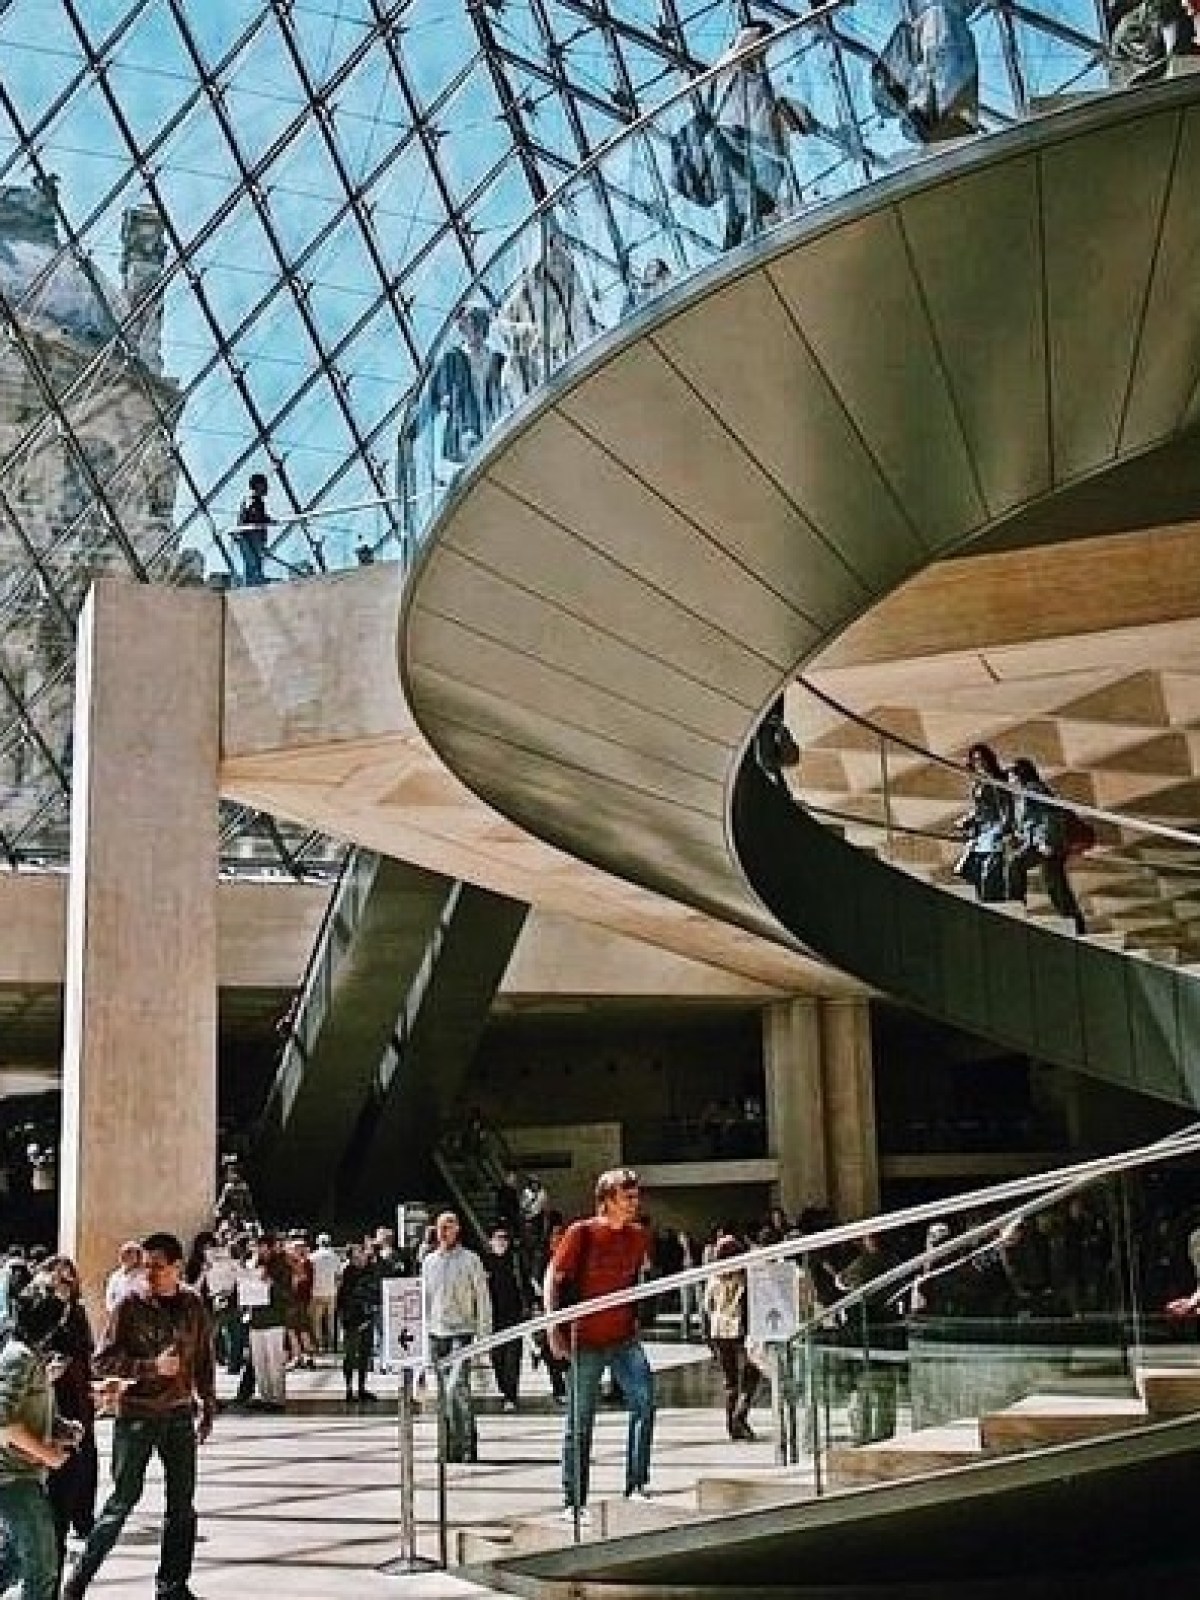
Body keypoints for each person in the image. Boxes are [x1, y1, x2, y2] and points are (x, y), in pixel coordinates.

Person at [61, 1231, 216, 1600]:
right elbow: (102, 1360)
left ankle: (172, 1585)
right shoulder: (129, 1305)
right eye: (145, 1266)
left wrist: (208, 1404)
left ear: (177, 1267)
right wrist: (149, 1367)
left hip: (179, 1415)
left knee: (182, 1505)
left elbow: (204, 1358)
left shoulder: (193, 1305)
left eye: (157, 1267)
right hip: (137, 1417)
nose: (149, 1274)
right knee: (122, 1500)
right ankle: (79, 1579)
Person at [545, 1167, 655, 1521]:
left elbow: (638, 1281)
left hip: (623, 1337)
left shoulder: (639, 1237)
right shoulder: (582, 1233)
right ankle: (573, 1501)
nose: (634, 1203)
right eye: (628, 1197)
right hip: (586, 1339)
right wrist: (553, 1330)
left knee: (645, 1401)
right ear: (607, 1201)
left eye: (636, 1196)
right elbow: (555, 1278)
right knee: (580, 1421)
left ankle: (636, 1483)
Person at [0, 1280, 80, 1600]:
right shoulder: (18, 1356)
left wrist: (60, 1428)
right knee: (42, 1571)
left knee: (13, 1564)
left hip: (23, 1476)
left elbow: (26, 1410)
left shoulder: (28, 1355)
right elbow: (3, 1422)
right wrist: (48, 1454)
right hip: (13, 1477)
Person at [710, 20, 816, 250]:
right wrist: (755, 37)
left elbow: (771, 102)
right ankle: (738, 250)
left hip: (761, 150)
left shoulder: (756, 75)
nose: (767, 51)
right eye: (765, 44)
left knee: (751, 208)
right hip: (745, 149)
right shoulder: (731, 67)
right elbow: (740, 52)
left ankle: (740, 248)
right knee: (748, 208)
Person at [37, 1255, 98, 1564]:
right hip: (49, 1397)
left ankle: (82, 1517)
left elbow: (86, 1351)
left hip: (77, 1394)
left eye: (68, 1280)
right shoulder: (37, 1318)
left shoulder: (77, 1313)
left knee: (83, 1456)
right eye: (57, 1280)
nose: (63, 1286)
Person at [498, 224, 601, 397]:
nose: (561, 254)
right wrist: (525, 330)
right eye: (556, 248)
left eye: (564, 247)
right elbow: (502, 322)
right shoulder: (531, 283)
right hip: (544, 359)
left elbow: (581, 317)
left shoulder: (572, 279)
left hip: (570, 353)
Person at [421, 1212, 491, 1464]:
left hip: (461, 1331)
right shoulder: (429, 1261)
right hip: (436, 1331)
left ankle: (466, 1444)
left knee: (456, 1389)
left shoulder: (471, 1259)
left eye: (448, 1227)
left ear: (457, 1230)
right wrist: (423, 1332)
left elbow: (482, 1297)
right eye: (440, 1227)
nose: (443, 1231)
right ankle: (447, 1446)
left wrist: (484, 1334)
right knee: (441, 1393)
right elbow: (425, 1298)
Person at [1005, 756, 1086, 934]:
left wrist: (1045, 842)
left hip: (1047, 842)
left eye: (1011, 775)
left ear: (1020, 775)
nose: (1009, 779)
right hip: (1040, 842)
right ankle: (1074, 921)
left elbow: (1049, 816)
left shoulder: (1033, 789)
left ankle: (1015, 903)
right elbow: (1029, 821)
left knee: (1026, 868)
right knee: (1054, 883)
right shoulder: (1022, 794)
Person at [704, 1234, 764, 1441]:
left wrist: (708, 1337)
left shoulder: (713, 1277)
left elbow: (707, 1307)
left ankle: (732, 1424)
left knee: (730, 1380)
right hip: (740, 1330)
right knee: (751, 1372)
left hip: (719, 1331)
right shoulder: (746, 1276)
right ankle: (740, 1414)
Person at [429, 305, 506, 464]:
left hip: (494, 423)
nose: (473, 332)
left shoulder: (497, 359)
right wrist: (445, 400)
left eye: (475, 326)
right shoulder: (453, 358)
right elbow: (435, 393)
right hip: (465, 429)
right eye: (468, 326)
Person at [954, 742, 1013, 903]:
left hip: (995, 829)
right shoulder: (978, 782)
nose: (979, 763)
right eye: (975, 759)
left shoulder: (997, 781)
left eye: (981, 759)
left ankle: (993, 901)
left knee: (990, 870)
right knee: (973, 869)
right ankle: (984, 899)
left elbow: (1006, 805)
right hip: (981, 830)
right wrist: (968, 820)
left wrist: (1005, 828)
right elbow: (980, 808)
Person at [482, 1227, 526, 1411]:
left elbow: (524, 1283)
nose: (502, 1242)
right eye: (498, 1238)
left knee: (513, 1357)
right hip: (494, 1316)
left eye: (505, 1238)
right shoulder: (485, 1263)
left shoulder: (516, 1261)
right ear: (491, 1242)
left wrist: (530, 1306)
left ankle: (511, 1394)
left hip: (514, 1315)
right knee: (497, 1357)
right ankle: (503, 1387)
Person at [335, 1243, 379, 1405]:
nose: (362, 1256)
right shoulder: (347, 1273)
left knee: (365, 1355)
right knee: (350, 1355)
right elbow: (342, 1298)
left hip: (367, 1317)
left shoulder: (370, 1270)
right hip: (352, 1319)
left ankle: (361, 1387)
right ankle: (349, 1388)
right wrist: (345, 1319)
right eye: (358, 1254)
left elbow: (375, 1291)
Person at [233, 473, 272, 587]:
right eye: (265, 484)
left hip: (251, 537)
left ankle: (254, 586)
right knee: (253, 565)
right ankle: (253, 589)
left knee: (254, 565)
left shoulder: (257, 501)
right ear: (258, 485)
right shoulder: (252, 500)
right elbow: (253, 515)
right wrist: (265, 520)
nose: (267, 487)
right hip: (248, 537)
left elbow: (256, 516)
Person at [309, 1233, 341, 1354]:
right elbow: (338, 1277)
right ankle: (332, 1345)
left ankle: (320, 1345)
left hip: (316, 1292)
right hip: (331, 1293)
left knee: (316, 1321)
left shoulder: (313, 1257)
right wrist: (336, 1289)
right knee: (331, 1320)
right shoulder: (335, 1257)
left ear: (318, 1243)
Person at [103, 1241, 145, 1315]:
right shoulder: (115, 1276)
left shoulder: (142, 1276)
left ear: (137, 1256)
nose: (126, 1256)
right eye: (124, 1252)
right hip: (116, 1315)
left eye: (130, 1252)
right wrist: (115, 1311)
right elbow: (109, 1298)